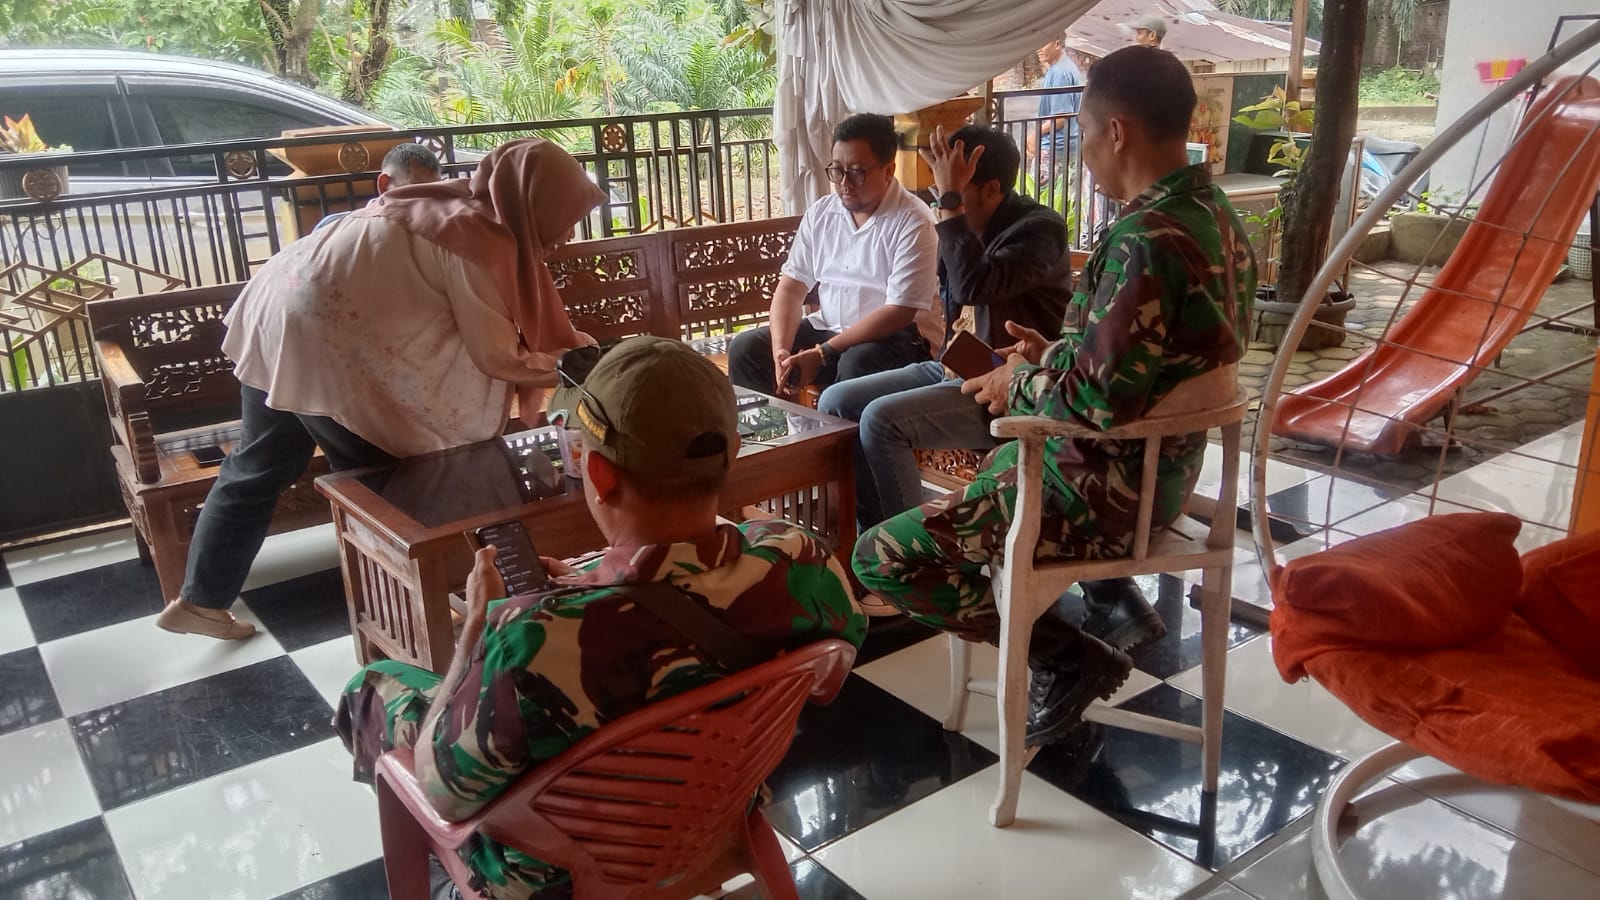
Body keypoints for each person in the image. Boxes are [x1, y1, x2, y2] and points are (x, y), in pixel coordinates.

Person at [335, 335, 866, 900]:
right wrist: (595, 584)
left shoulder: (527, 639)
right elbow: (828, 679)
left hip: (558, 874)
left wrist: (476, 632)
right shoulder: (801, 560)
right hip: (718, 811)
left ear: (598, 473)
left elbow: (445, 793)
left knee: (373, 688)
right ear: (731, 452)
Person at [853, 46, 1256, 748]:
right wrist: (1054, 353)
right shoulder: (1215, 215)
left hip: (1101, 488)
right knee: (977, 474)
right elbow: (1150, 366)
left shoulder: (1143, 239)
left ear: (1117, 132)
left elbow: (1095, 404)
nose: (1085, 152)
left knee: (880, 557)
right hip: (1162, 473)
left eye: (1086, 132)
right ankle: (1093, 619)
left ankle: (1065, 655)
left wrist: (1017, 379)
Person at [157, 138, 603, 641]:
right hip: (323, 346)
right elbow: (497, 356)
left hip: (275, 316)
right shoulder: (474, 238)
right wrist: (574, 364)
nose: (568, 233)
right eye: (566, 218)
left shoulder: (442, 204)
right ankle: (406, 622)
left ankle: (199, 601)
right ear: (536, 204)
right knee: (390, 493)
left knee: (258, 464)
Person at [816, 124, 1070, 532]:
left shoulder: (1039, 230)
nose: (940, 201)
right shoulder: (965, 225)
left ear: (991, 189)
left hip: (1004, 381)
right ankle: (873, 534)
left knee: (881, 421)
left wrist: (951, 207)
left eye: (952, 191)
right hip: (953, 365)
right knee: (836, 401)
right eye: (939, 190)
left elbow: (974, 285)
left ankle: (912, 549)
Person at [727, 113, 941, 398]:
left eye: (857, 172)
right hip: (828, 329)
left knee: (856, 365)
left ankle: (836, 429)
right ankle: (781, 427)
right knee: (747, 350)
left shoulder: (914, 221)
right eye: (837, 170)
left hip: (900, 339)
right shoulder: (822, 213)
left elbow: (898, 313)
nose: (844, 183)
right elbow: (791, 288)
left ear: (888, 170)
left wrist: (822, 353)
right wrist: (781, 350)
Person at [311, 142, 443, 232]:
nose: (427, 205)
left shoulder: (440, 232)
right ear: (384, 185)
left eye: (435, 194)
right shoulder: (332, 228)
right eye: (416, 193)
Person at [1028, 32, 1084, 208]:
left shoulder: (1060, 73)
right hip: (1064, 145)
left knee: (1038, 200)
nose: (1039, 49)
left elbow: (1061, 118)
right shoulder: (1062, 67)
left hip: (1055, 147)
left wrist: (1035, 135)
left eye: (1044, 43)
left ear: (1057, 44)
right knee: (1060, 200)